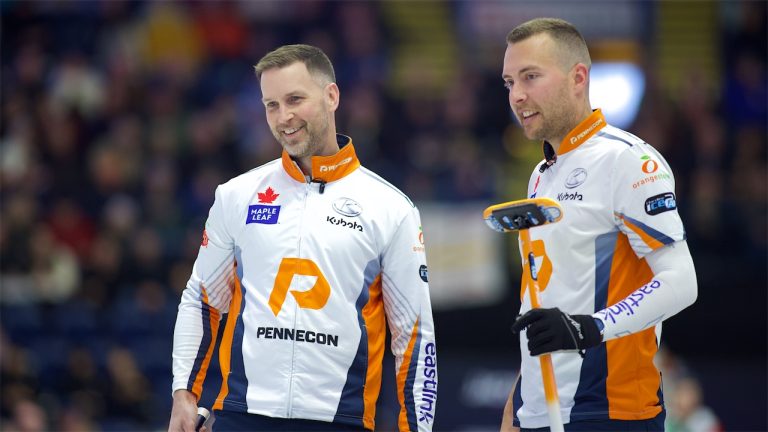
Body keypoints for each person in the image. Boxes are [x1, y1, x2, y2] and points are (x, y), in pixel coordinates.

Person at [168, 44, 437, 432]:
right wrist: (183, 394)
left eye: (295, 99)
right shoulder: (236, 195)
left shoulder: (392, 209)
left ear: (332, 96)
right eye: (271, 105)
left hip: (338, 420)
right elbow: (201, 299)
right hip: (243, 415)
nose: (283, 117)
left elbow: (414, 337)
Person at [498, 18, 697, 431]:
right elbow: (544, 303)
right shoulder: (540, 175)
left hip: (611, 411)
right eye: (509, 82)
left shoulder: (627, 160)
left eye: (530, 77)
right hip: (540, 413)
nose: (517, 95)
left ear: (578, 77)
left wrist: (588, 328)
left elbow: (682, 282)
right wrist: (517, 406)